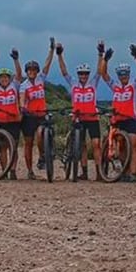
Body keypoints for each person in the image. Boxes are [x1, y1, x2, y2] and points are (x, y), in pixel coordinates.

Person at [99, 41, 136, 182]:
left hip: (132, 119)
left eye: (125, 74)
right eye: (121, 75)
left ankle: (134, 173)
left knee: (133, 145)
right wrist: (105, 60)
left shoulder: (133, 85)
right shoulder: (115, 86)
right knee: (121, 147)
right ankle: (124, 173)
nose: (123, 77)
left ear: (128, 74)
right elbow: (103, 74)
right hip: (118, 120)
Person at [56, 41, 104, 181]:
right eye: (81, 74)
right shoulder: (73, 84)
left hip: (93, 118)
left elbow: (99, 71)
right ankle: (84, 172)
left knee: (96, 144)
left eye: (85, 74)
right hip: (78, 118)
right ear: (78, 75)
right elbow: (64, 72)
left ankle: (99, 172)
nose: (83, 76)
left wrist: (100, 54)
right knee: (81, 145)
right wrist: (60, 55)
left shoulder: (93, 83)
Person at [16, 38, 57, 181]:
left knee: (41, 133)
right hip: (28, 116)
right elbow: (21, 98)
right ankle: (29, 170)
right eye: (30, 70)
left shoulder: (40, 79)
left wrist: (51, 50)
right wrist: (22, 107)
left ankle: (42, 156)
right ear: (27, 72)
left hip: (41, 115)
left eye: (34, 70)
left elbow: (47, 64)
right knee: (28, 143)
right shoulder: (23, 85)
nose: (32, 72)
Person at [0, 60, 22, 179]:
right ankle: (4, 171)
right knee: (2, 147)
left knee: (13, 147)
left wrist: (15, 60)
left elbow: (19, 74)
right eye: (1, 78)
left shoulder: (14, 86)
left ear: (9, 79)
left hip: (14, 121)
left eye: (6, 77)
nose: (4, 79)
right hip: (0, 121)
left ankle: (13, 171)